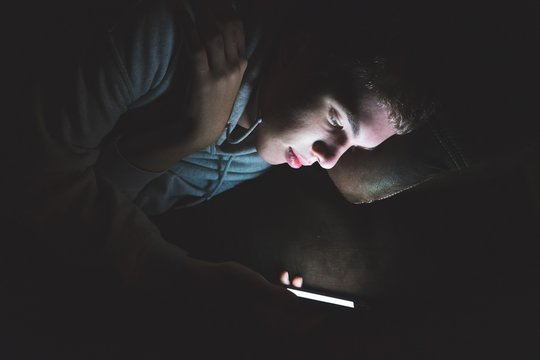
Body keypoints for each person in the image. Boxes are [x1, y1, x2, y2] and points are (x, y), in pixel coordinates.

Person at [8, 0, 434, 355]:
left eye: (354, 149)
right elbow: (29, 188)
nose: (329, 160)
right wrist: (192, 279)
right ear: (299, 53)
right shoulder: (162, 39)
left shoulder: (277, 146)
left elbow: (104, 208)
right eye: (337, 122)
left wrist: (180, 142)